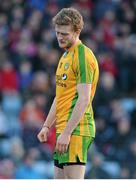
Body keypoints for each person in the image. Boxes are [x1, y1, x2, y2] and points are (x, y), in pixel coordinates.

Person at [37, 7, 99, 179]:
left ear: (77, 31)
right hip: (64, 128)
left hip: (77, 128)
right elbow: (60, 97)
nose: (60, 37)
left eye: (64, 33)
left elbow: (84, 99)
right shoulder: (65, 56)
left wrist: (67, 133)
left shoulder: (83, 56)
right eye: (57, 33)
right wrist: (47, 125)